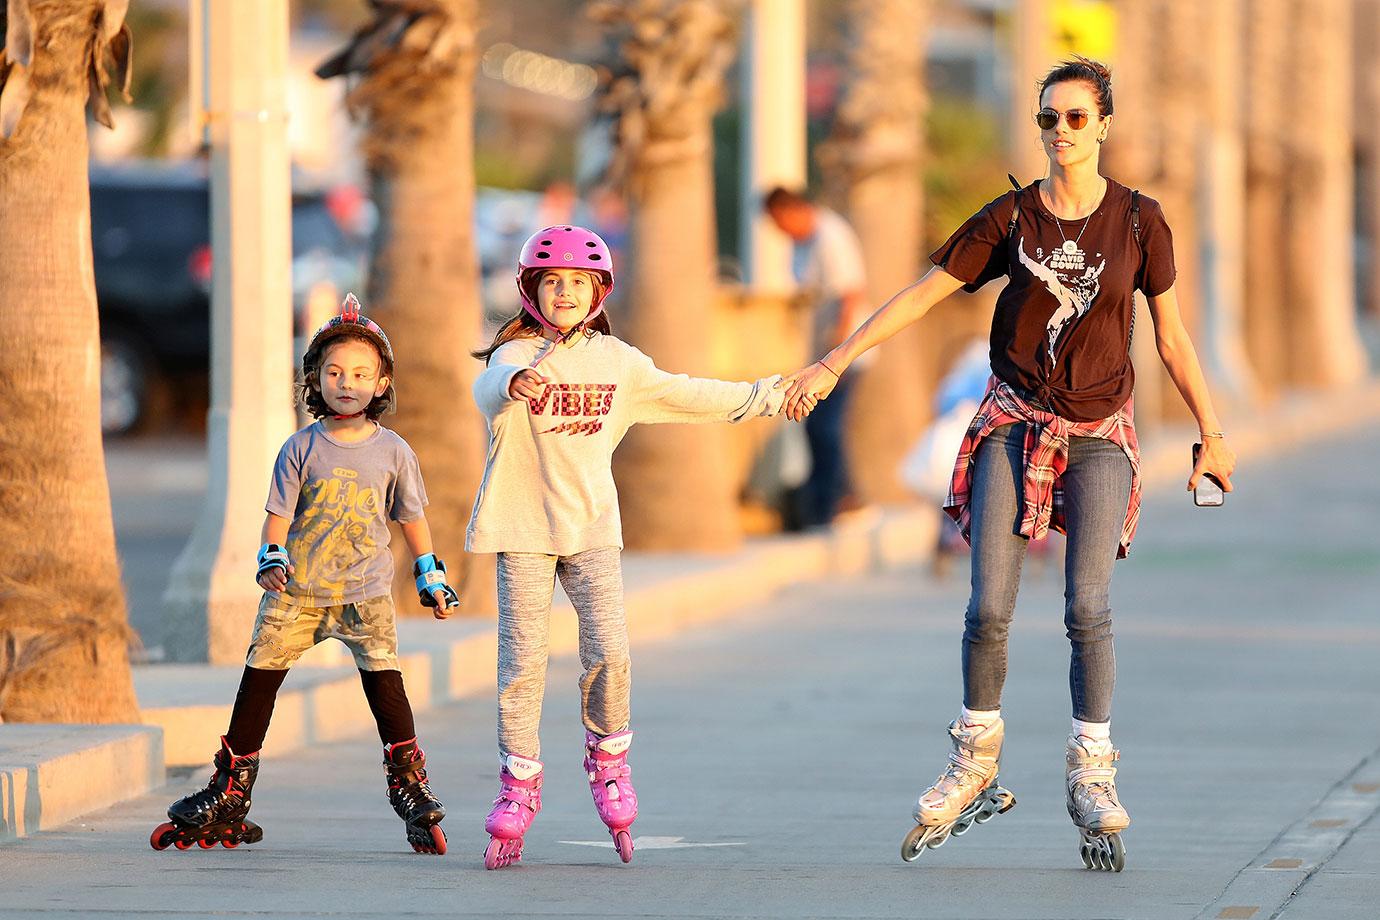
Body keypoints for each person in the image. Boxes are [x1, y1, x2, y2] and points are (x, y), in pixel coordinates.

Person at [783, 57, 1237, 872]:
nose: (1059, 132)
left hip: (1099, 431)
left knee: (1086, 606)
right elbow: (923, 293)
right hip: (1011, 424)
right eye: (1046, 119)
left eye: (1073, 118)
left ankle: (1091, 771)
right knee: (988, 603)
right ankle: (974, 763)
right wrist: (835, 359)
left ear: (1102, 125)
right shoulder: (1012, 219)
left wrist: (1213, 432)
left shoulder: (1139, 222)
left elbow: (1171, 337)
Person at [468, 226, 788, 869]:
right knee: (523, 665)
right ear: (531, 290)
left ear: (598, 290)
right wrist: (513, 386)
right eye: (552, 282)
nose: (564, 293)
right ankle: (519, 784)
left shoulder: (618, 363)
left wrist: (769, 395)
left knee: (609, 651)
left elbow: (691, 393)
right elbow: (488, 388)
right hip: (523, 530)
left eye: (577, 283)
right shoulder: (515, 355)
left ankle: (609, 760)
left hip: (590, 531)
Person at [151, 294, 461, 856]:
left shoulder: (394, 451)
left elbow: (412, 517)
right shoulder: (301, 447)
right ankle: (230, 790)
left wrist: (430, 575)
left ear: (383, 384)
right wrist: (270, 557)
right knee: (258, 684)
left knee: (386, 688)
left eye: (362, 374)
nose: (347, 383)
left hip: (365, 594)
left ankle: (411, 788)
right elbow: (278, 515)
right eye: (334, 372)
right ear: (314, 380)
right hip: (295, 593)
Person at [764, 187, 869, 528]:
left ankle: (838, 501)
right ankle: (840, 498)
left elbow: (851, 292)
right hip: (822, 352)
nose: (781, 231)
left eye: (781, 222)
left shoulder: (830, 234)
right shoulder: (802, 244)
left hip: (843, 352)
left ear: (793, 210)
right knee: (820, 427)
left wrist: (837, 354)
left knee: (824, 426)